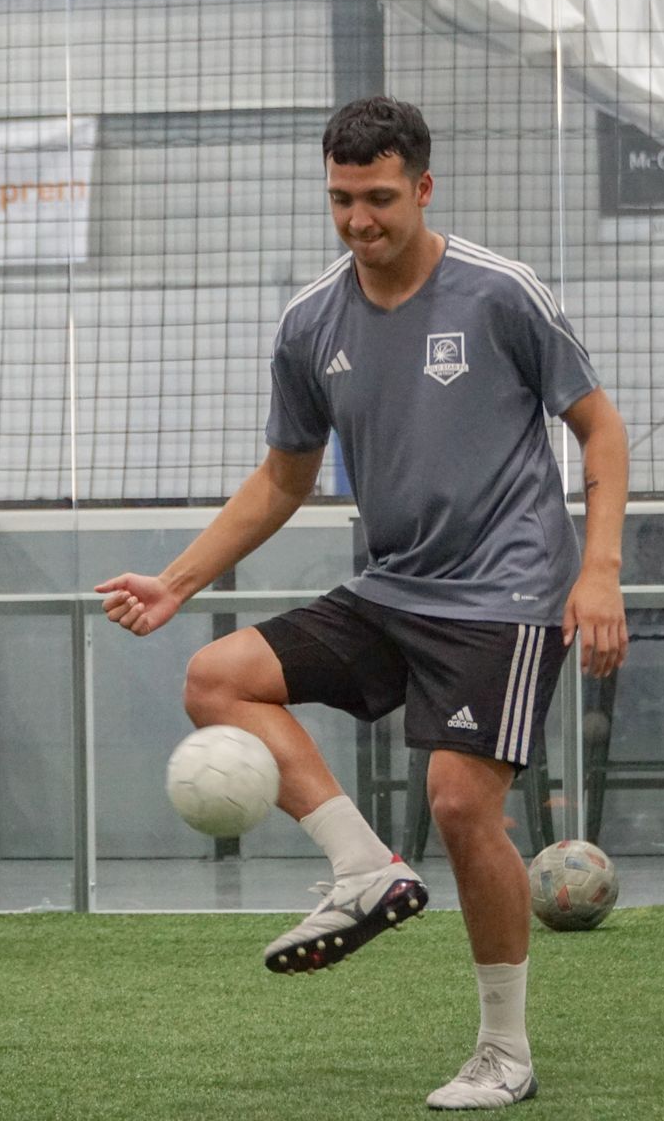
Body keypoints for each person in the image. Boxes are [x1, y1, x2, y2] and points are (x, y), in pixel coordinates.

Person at [96, 96, 629, 1110]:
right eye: (341, 199)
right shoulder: (309, 323)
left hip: (507, 589)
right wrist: (176, 580)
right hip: (392, 585)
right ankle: (364, 869)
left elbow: (601, 432)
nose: (359, 221)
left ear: (423, 188)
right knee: (217, 675)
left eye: (379, 198)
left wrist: (597, 568)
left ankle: (504, 1050)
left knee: (462, 802)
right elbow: (281, 480)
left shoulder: (501, 293)